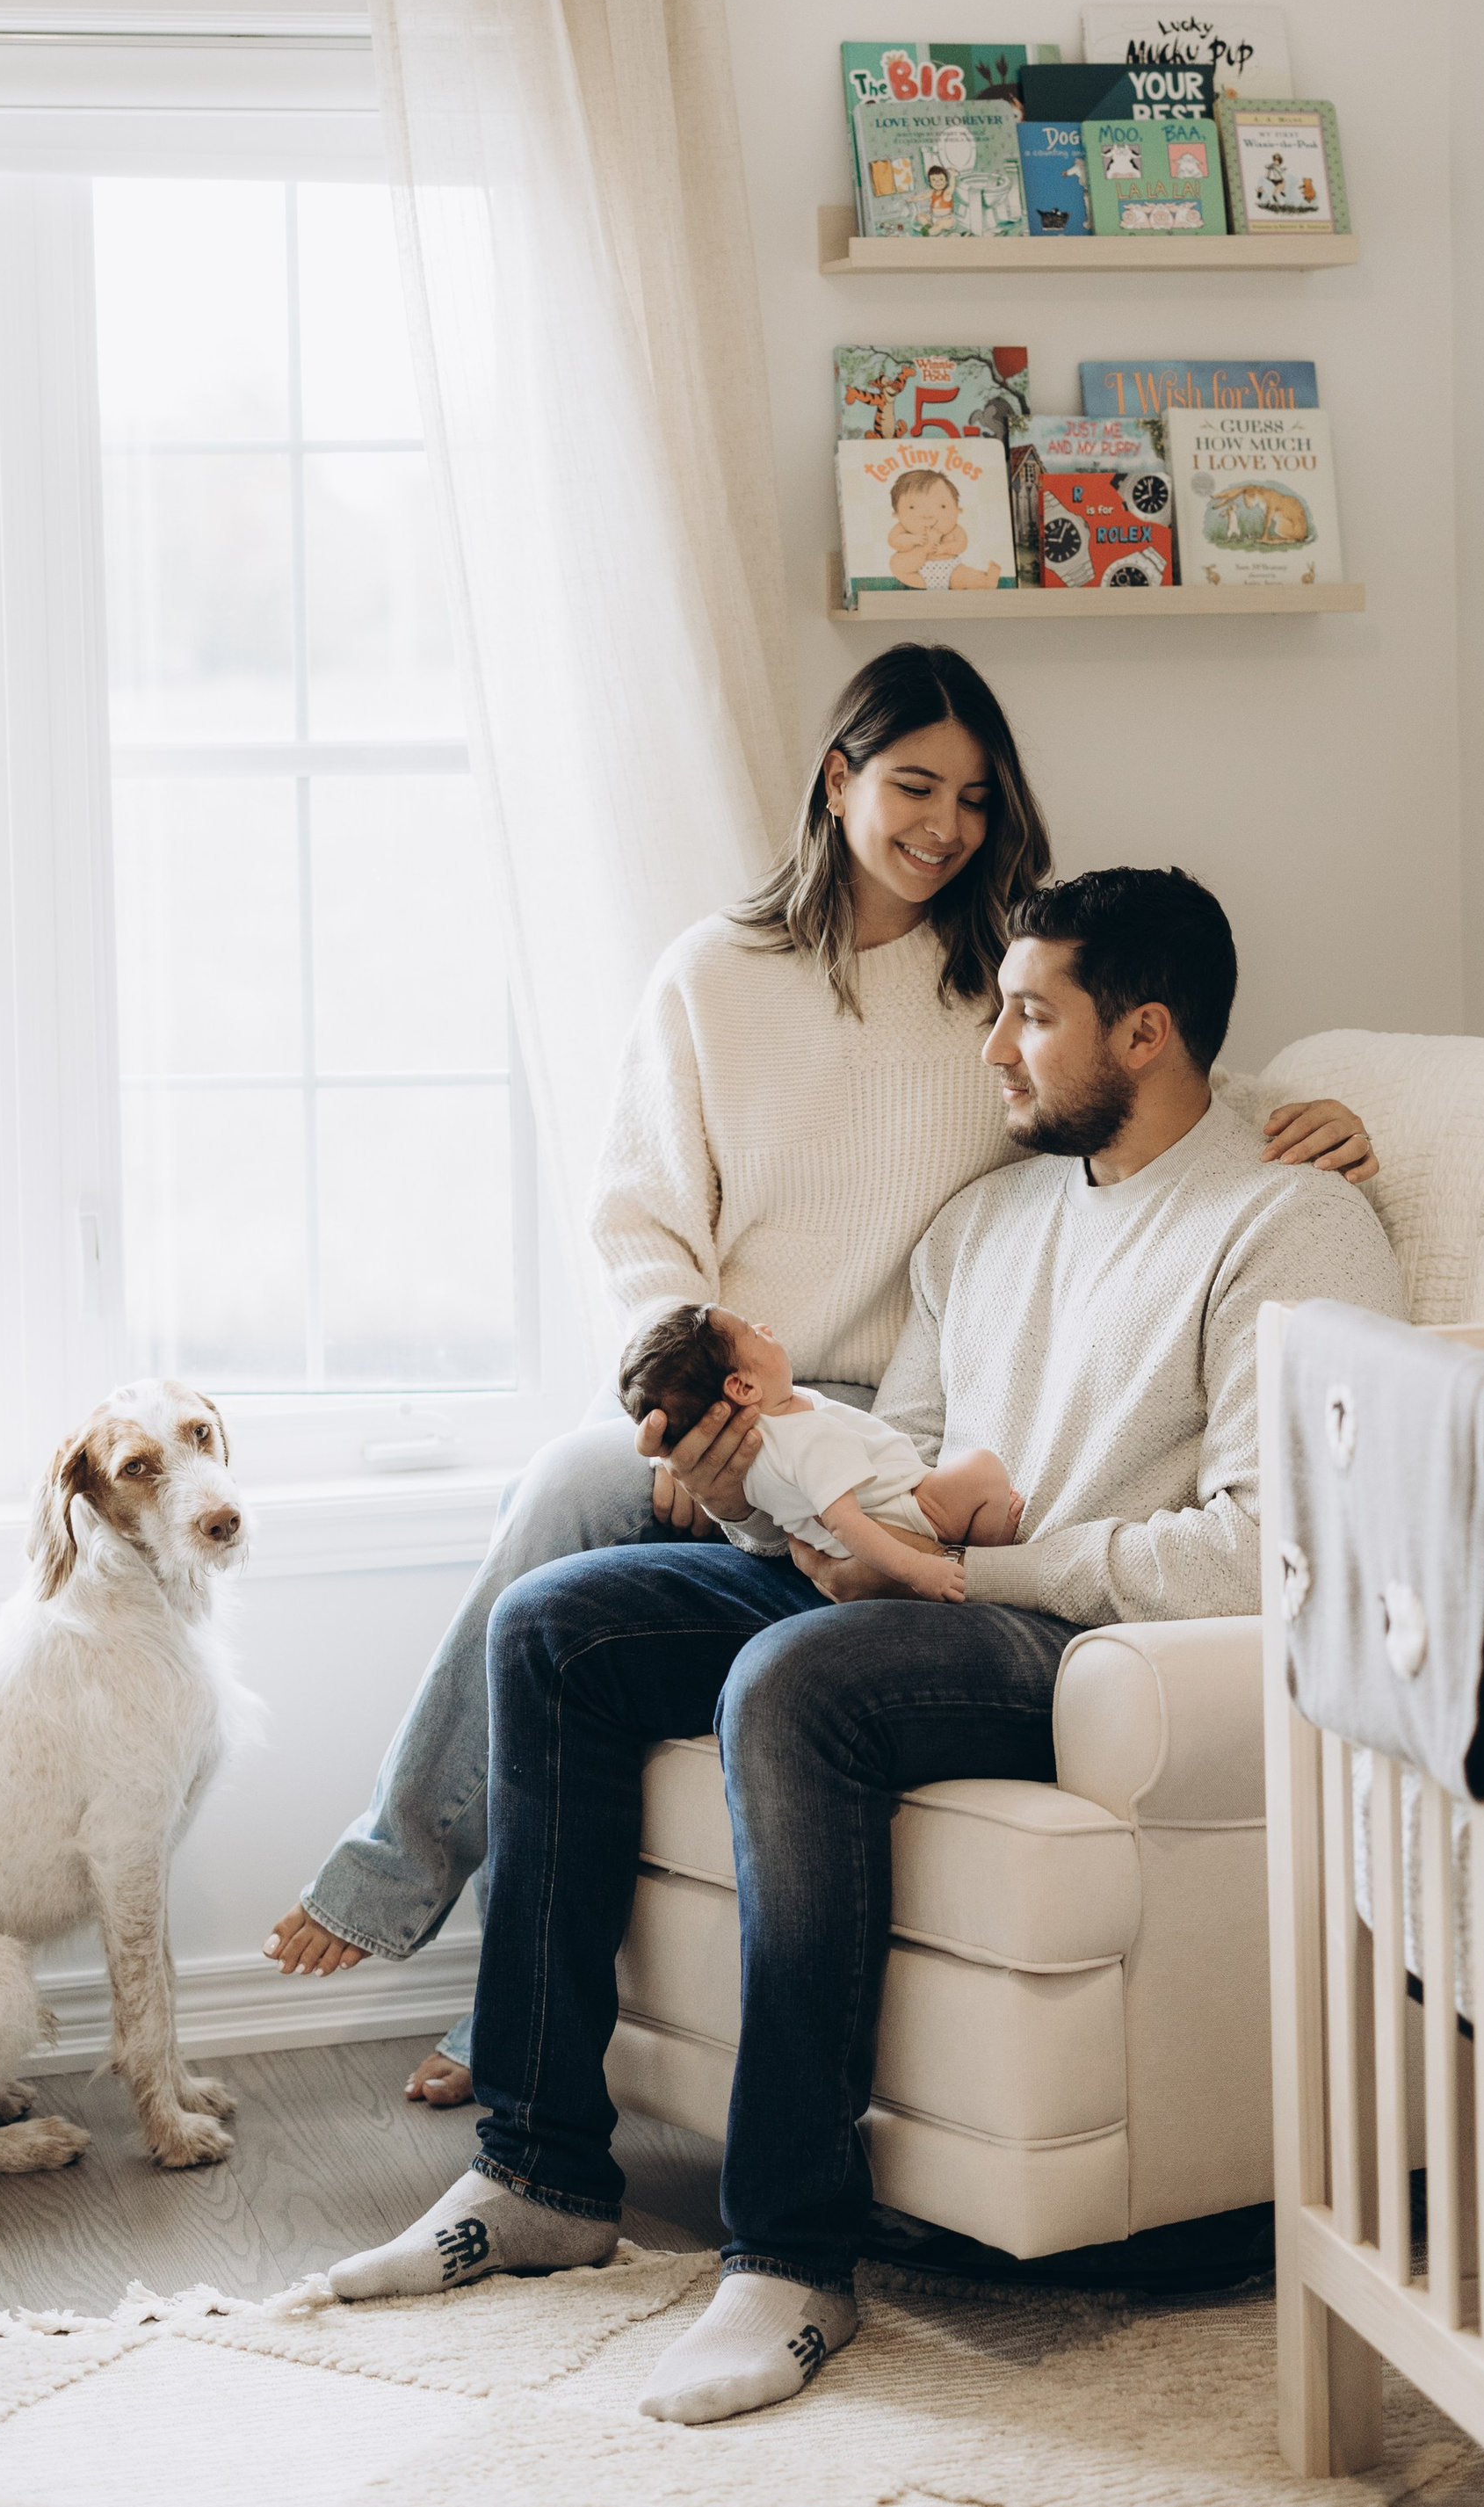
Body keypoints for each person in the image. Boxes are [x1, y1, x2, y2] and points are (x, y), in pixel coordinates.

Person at [322, 866, 1409, 2426]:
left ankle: (791, 2256)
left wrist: (967, 1572)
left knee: (793, 1683)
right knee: (559, 1625)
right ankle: (539, 2169)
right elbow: (891, 1463)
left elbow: (1261, 1548)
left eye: (1031, 1016)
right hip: (929, 1590)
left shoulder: (1291, 1226)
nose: (995, 1049)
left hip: (1081, 1641)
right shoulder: (986, 1225)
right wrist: (772, 1511)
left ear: (1148, 1032)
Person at [262, 647, 1376, 2107]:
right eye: (915, 786)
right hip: (755, 1387)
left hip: (907, 1419)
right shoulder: (714, 979)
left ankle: (533, 2027)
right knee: (567, 1514)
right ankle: (431, 1909)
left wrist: (1300, 1114)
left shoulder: (994, 971)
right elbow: (643, 1224)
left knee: (736, 1644)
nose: (948, 827)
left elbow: (1136, 1074)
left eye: (976, 798)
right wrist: (700, 1408)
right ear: (839, 779)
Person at [618, 1300, 1021, 1603]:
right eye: (753, 1335)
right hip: (907, 1511)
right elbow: (846, 1524)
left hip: (864, 1534)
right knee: (984, 1470)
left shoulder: (762, 1435)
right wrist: (921, 1570)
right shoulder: (804, 1439)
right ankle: (989, 1549)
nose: (764, 1327)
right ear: (743, 1387)